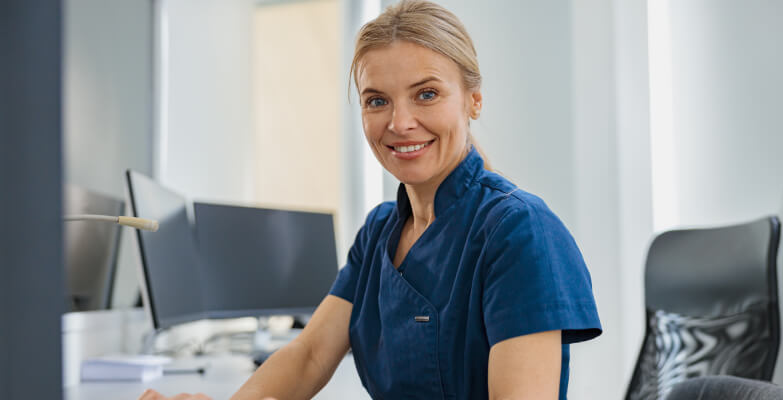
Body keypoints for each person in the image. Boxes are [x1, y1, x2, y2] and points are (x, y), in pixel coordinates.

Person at [138, 1, 601, 399]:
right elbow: (309, 354)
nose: (400, 122)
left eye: (426, 94)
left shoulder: (520, 231)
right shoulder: (380, 231)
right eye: (376, 101)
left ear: (473, 100)